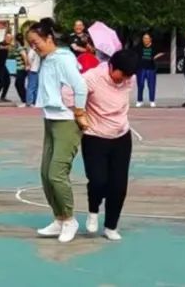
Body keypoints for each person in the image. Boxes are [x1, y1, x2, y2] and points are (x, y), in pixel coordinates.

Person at [28, 18, 90, 244]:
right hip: (50, 118)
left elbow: (80, 86)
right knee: (45, 173)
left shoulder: (63, 58)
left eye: (36, 42)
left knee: (57, 173)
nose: (34, 47)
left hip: (66, 121)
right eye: (31, 44)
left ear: (49, 38)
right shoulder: (46, 58)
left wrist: (80, 111)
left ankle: (70, 220)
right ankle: (59, 217)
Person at [81, 49, 137, 242]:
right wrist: (80, 115)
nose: (124, 80)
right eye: (121, 75)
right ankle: (93, 210)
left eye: (128, 76)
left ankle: (111, 226)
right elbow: (70, 95)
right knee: (98, 180)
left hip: (121, 137)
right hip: (95, 136)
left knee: (119, 185)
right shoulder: (91, 78)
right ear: (111, 66)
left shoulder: (129, 79)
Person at [135, 33, 163, 108]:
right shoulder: (139, 47)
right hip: (141, 68)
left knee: (151, 85)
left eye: (147, 38)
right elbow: (133, 54)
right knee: (140, 85)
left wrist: (155, 57)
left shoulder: (154, 46)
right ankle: (139, 100)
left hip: (151, 68)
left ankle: (152, 101)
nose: (145, 40)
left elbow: (162, 52)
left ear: (150, 39)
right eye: (144, 38)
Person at [23, 38, 41, 108]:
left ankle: (34, 101)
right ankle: (29, 102)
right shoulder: (32, 51)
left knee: (35, 87)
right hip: (33, 70)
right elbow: (29, 58)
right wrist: (30, 66)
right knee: (31, 87)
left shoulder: (36, 50)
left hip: (36, 70)